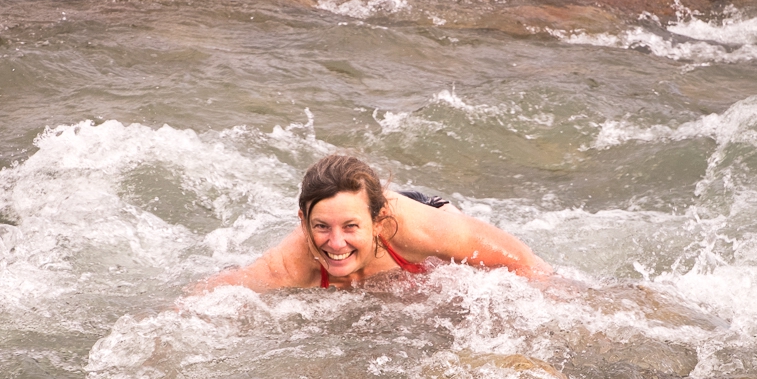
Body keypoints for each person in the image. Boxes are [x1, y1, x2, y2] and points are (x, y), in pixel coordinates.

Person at [187, 154, 552, 294]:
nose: (335, 243)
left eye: (350, 227)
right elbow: (216, 293)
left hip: (421, 211)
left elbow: (524, 263)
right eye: (321, 227)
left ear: (377, 223)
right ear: (303, 222)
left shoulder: (419, 228)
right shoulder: (290, 264)